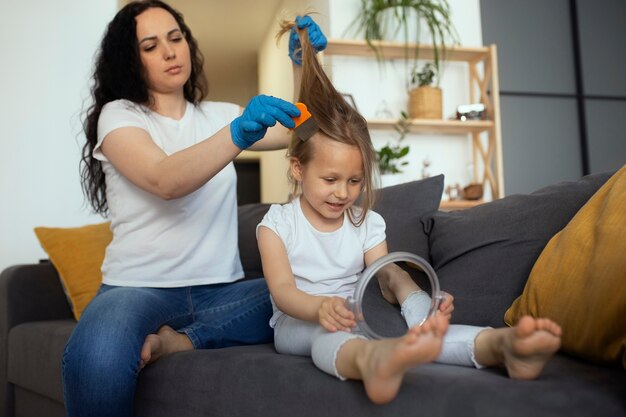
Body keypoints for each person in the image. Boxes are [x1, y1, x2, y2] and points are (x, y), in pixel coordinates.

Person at [257, 18, 564, 405]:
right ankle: (370, 360)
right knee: (329, 336)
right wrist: (320, 307)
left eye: (355, 181)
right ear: (299, 170)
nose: (343, 193)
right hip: (299, 321)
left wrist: (420, 300)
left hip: (361, 314)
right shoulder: (277, 225)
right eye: (331, 179)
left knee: (421, 330)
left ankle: (499, 346)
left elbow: (386, 275)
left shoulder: (365, 221)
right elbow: (283, 291)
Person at [64, 1, 328, 416]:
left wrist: (305, 65)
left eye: (175, 38)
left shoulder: (219, 115)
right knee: (96, 355)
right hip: (137, 289)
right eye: (150, 46)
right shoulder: (118, 117)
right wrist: (238, 134)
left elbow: (307, 131)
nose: (170, 52)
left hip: (221, 291)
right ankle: (183, 335)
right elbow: (164, 180)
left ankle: (181, 341)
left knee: (315, 290)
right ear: (129, 61)